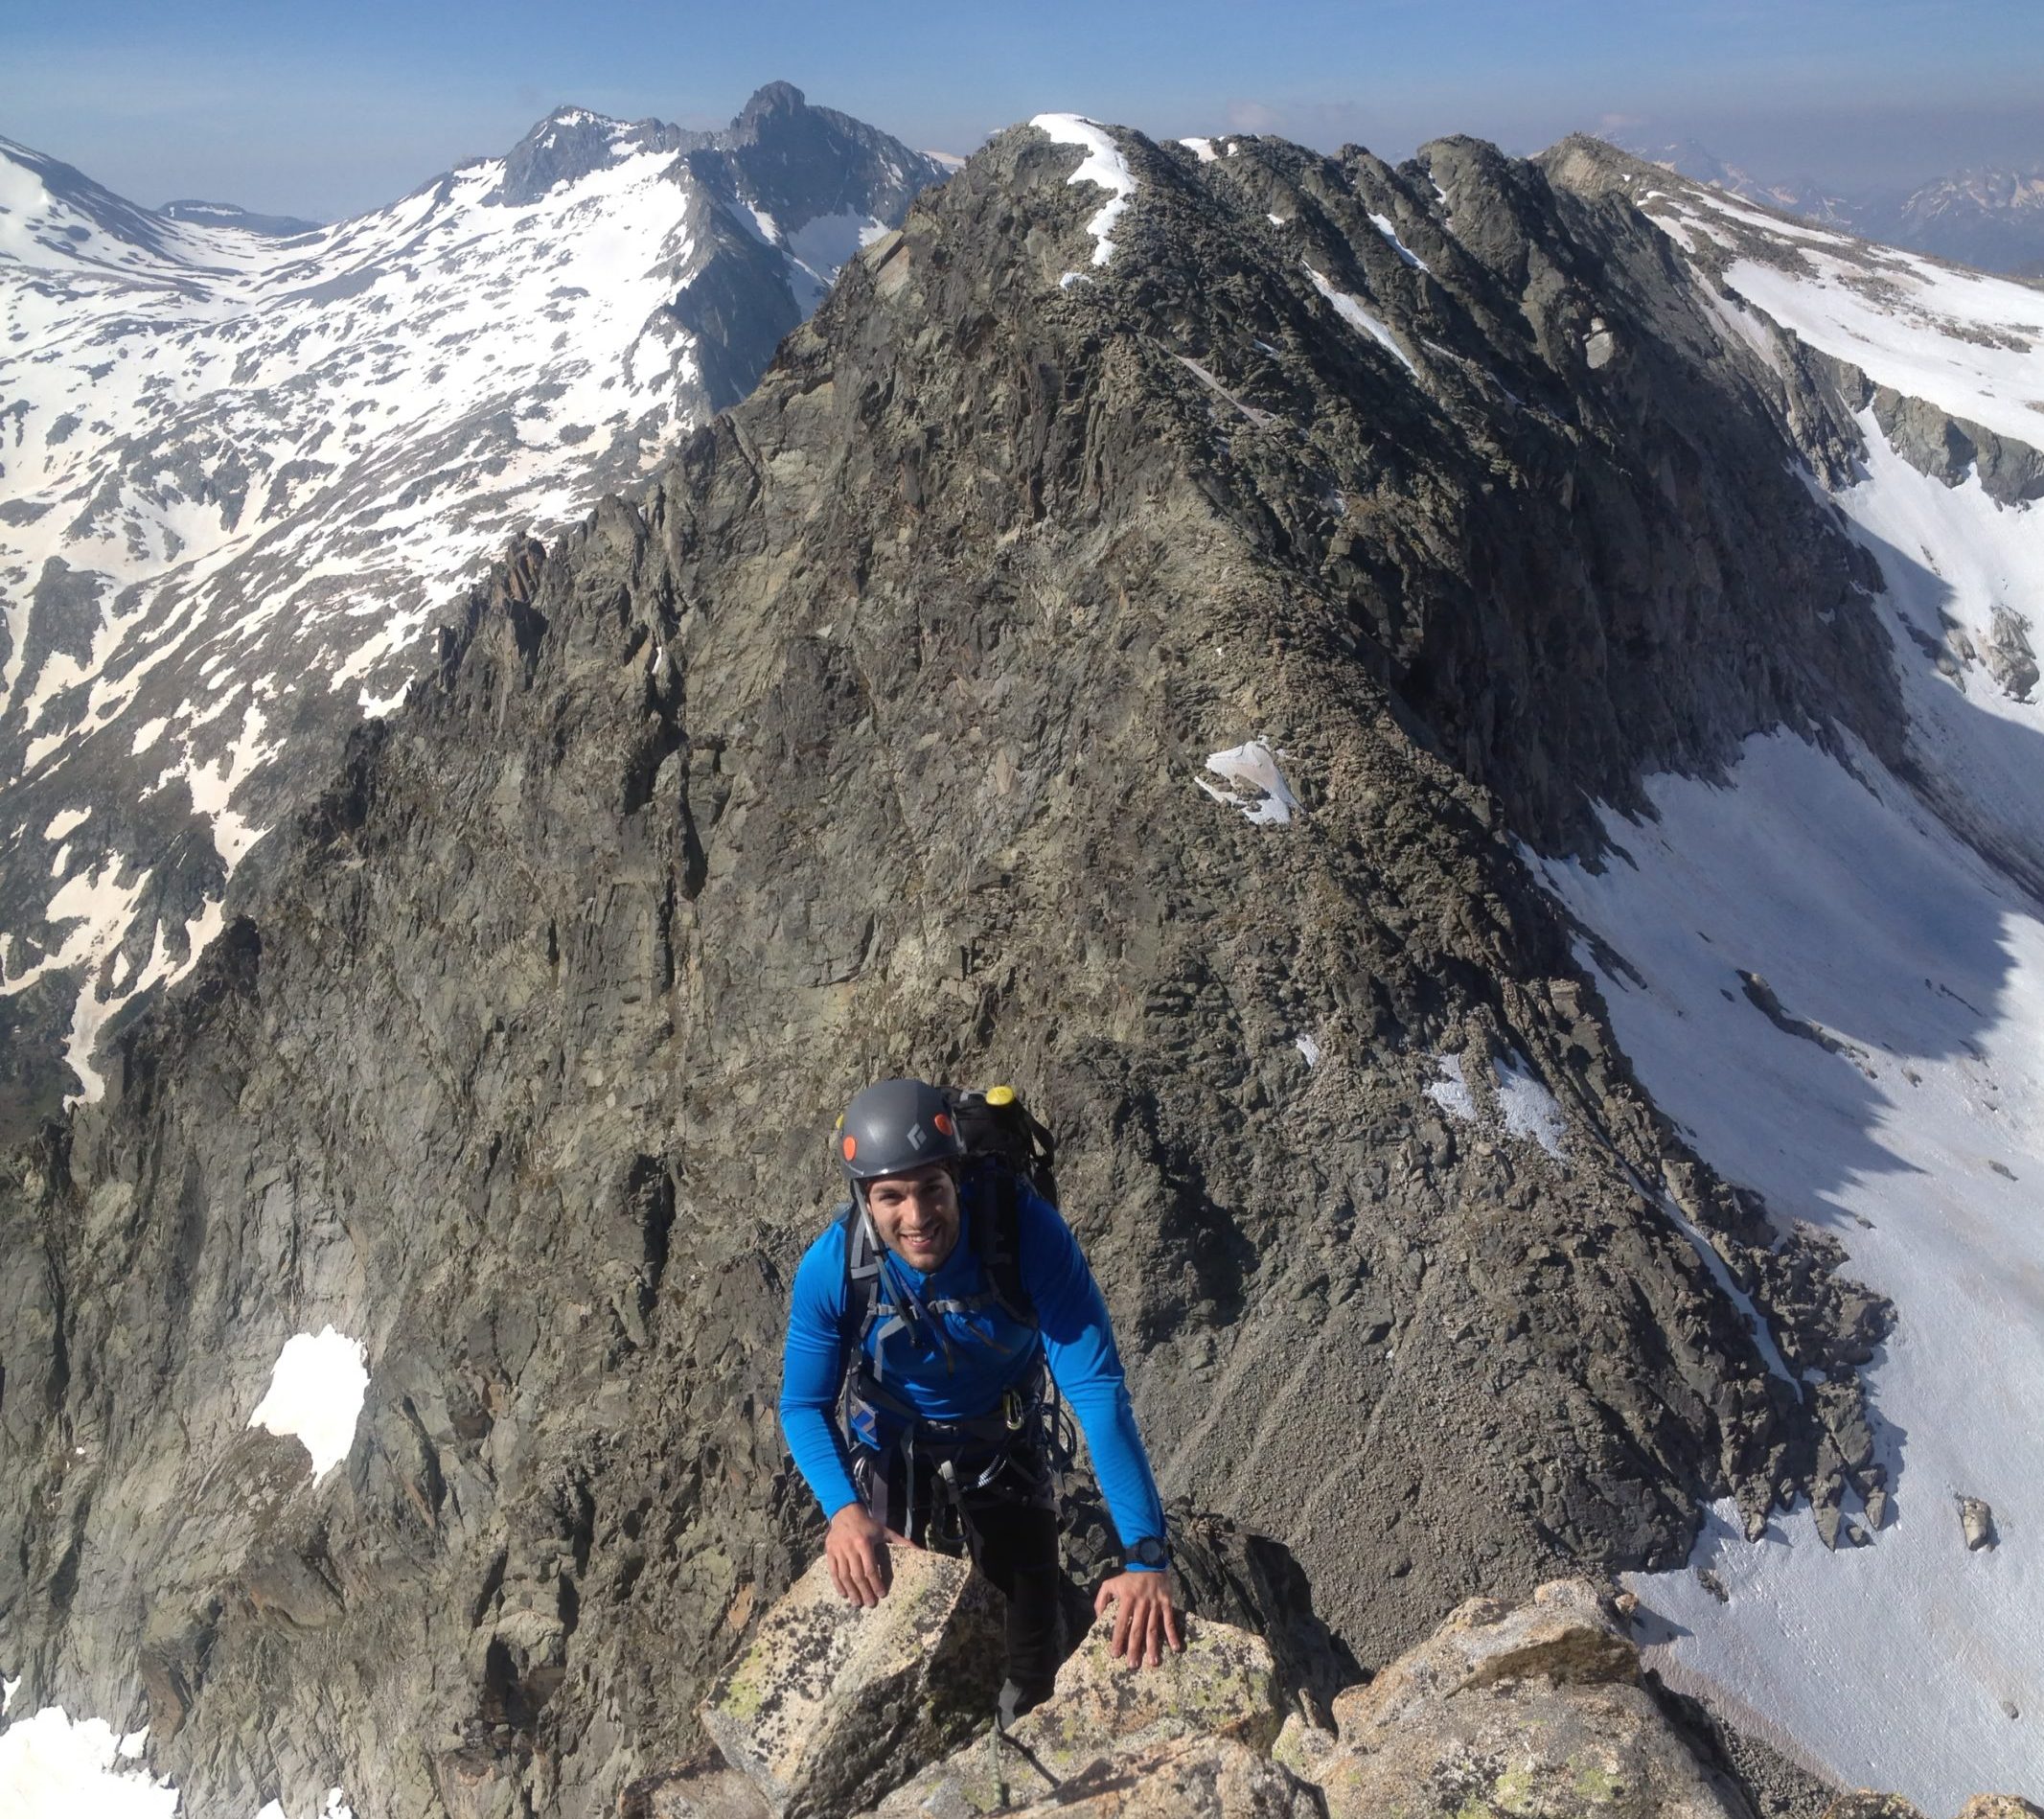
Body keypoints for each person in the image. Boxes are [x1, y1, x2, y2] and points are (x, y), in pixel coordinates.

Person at [778, 1077, 1182, 1721]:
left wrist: (1146, 1555)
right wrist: (844, 1512)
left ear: (957, 1178)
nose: (916, 1218)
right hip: (892, 1439)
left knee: (1030, 1642)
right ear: (864, 1199)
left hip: (1001, 1433)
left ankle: (1020, 1730)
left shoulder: (1027, 1236)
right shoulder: (833, 1267)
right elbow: (801, 1405)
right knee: (881, 1625)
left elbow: (1097, 1394)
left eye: (931, 1189)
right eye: (891, 1197)